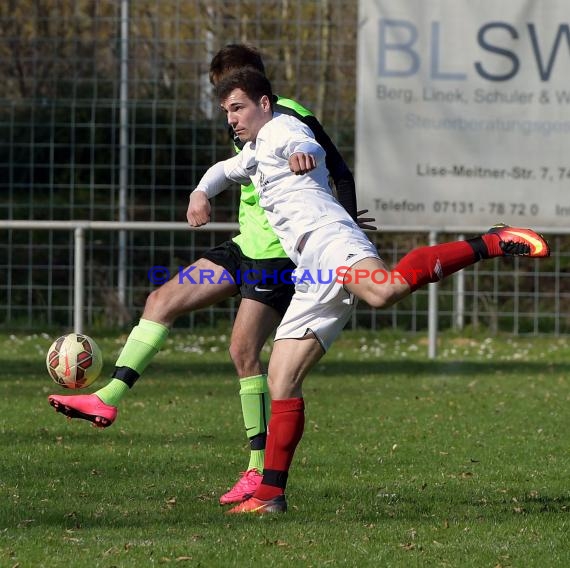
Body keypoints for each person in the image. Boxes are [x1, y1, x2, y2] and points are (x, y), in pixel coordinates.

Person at [186, 67, 550, 514]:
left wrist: (303, 153)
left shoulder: (282, 127)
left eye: (238, 108)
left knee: (384, 291)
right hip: (310, 269)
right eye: (227, 112)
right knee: (282, 379)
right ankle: (269, 496)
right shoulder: (255, 150)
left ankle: (491, 241)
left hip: (331, 238)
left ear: (264, 104)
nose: (232, 120)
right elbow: (223, 169)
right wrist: (200, 193)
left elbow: (305, 142)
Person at [47, 44, 366, 506]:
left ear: (259, 88)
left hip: (276, 258)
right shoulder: (243, 126)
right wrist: (201, 191)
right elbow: (231, 171)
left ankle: (259, 470)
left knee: (243, 351)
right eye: (223, 99)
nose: (229, 110)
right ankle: (108, 396)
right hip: (242, 247)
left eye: (234, 96)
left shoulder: (291, 116)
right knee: (161, 300)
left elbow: (334, 166)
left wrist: (347, 223)